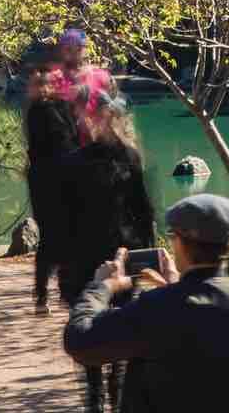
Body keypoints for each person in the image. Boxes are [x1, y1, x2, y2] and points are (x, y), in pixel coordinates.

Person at [61, 194, 229, 413]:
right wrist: (175, 287)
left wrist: (103, 286)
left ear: (179, 242)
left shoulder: (158, 308)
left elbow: (81, 342)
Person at [57, 88, 156, 413]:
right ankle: (107, 398)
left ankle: (98, 401)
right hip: (120, 259)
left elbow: (64, 224)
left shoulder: (75, 163)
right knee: (119, 346)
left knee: (94, 348)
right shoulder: (131, 157)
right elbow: (146, 216)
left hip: (95, 262)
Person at [26, 31, 84, 313]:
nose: (43, 88)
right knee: (54, 236)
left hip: (53, 178)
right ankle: (48, 292)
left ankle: (51, 292)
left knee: (57, 235)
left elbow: (71, 136)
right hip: (50, 180)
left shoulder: (53, 108)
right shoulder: (40, 112)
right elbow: (64, 140)